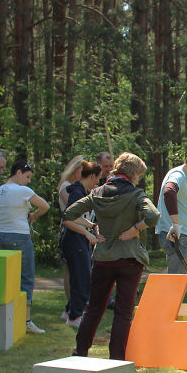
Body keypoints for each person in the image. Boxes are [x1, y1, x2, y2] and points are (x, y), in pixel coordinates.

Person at [65, 152, 160, 360]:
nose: (138, 179)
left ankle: (80, 352)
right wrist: (136, 228)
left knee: (94, 309)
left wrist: (92, 226)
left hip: (103, 258)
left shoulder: (97, 192)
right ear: (133, 174)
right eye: (138, 175)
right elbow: (153, 216)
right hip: (130, 258)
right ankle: (117, 359)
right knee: (123, 312)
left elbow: (69, 214)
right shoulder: (136, 194)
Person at [0, 160, 50, 334]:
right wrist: (34, 215)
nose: (29, 181)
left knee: (3, 279)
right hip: (20, 237)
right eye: (27, 176)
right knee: (25, 278)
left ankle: (2, 318)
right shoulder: (23, 191)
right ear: (18, 172)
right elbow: (45, 205)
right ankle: (26, 320)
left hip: (0, 236)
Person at [60, 160, 103, 328]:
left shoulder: (84, 191)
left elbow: (80, 218)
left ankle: (70, 310)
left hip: (80, 240)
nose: (97, 183)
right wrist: (87, 233)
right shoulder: (77, 192)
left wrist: (92, 227)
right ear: (91, 176)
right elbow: (68, 219)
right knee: (82, 278)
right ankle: (75, 317)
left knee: (80, 276)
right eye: (97, 179)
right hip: (74, 240)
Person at [57, 155, 85, 313]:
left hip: (79, 227)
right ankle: (70, 306)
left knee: (78, 270)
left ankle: (75, 304)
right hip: (70, 228)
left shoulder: (77, 186)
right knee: (71, 269)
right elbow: (74, 209)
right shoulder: (66, 186)